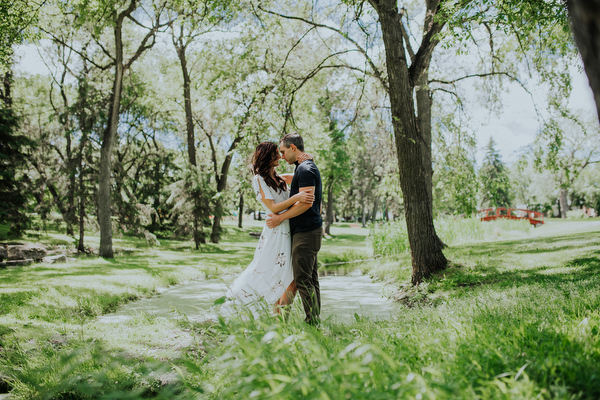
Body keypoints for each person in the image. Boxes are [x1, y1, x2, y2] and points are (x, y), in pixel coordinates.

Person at [226, 142, 314, 317]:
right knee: (270, 273)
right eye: (276, 154)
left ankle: (280, 319)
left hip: (290, 230)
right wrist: (296, 196)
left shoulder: (278, 177)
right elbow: (273, 208)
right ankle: (241, 303)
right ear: (267, 156)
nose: (280, 157)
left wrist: (307, 159)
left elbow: (300, 173)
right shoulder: (258, 179)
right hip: (276, 233)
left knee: (289, 278)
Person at [267, 133, 323, 326]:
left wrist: (280, 217)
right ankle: (314, 322)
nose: (281, 156)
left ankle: (312, 324)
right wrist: (267, 177)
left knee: (303, 280)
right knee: (310, 279)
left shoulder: (306, 168)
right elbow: (292, 178)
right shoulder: (304, 166)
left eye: (282, 151)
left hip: (306, 232)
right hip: (308, 231)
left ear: (293, 148)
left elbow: (306, 203)